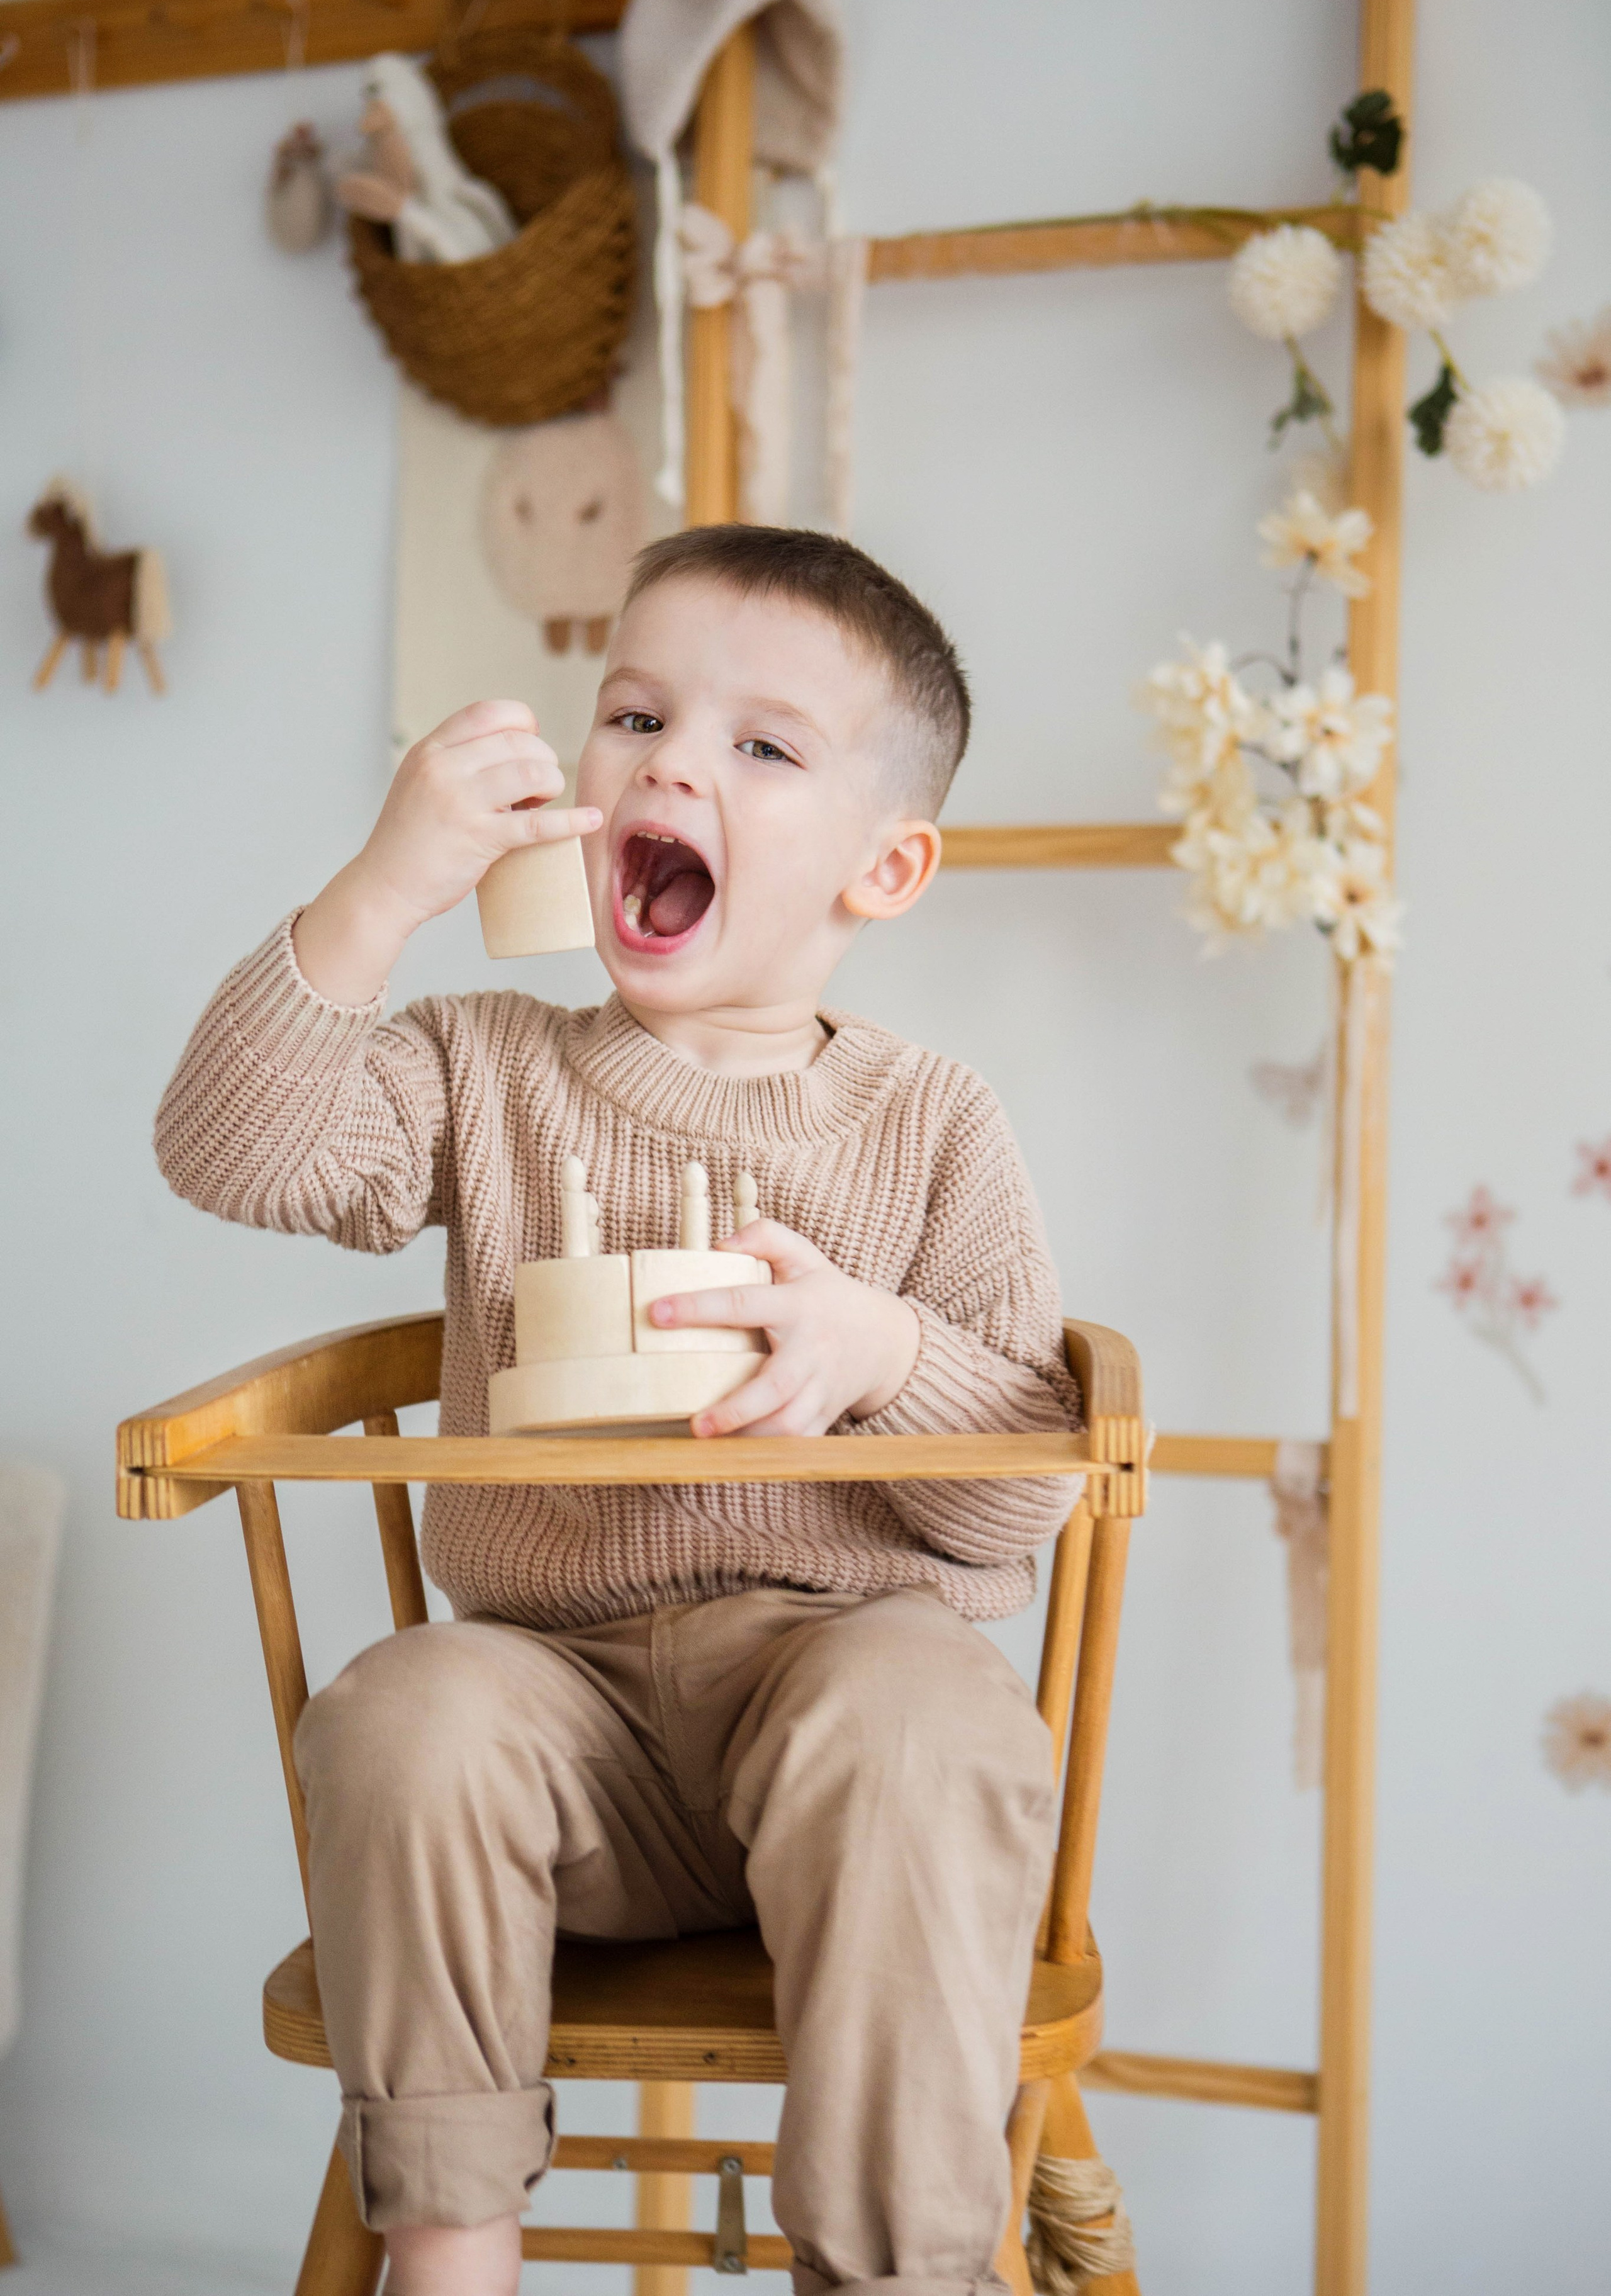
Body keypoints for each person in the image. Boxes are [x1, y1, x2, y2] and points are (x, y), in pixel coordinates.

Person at [155, 526, 1083, 2296]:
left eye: (761, 746)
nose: (669, 761)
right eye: (637, 715)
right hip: (557, 1724)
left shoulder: (937, 1123)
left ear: (885, 868)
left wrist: (887, 1355)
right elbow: (230, 1147)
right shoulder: (483, 1064)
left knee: (927, 1719)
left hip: (833, 1708)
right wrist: (384, 886)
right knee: (399, 1710)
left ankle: (898, 2267)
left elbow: (1020, 1500)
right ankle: (448, 2236)